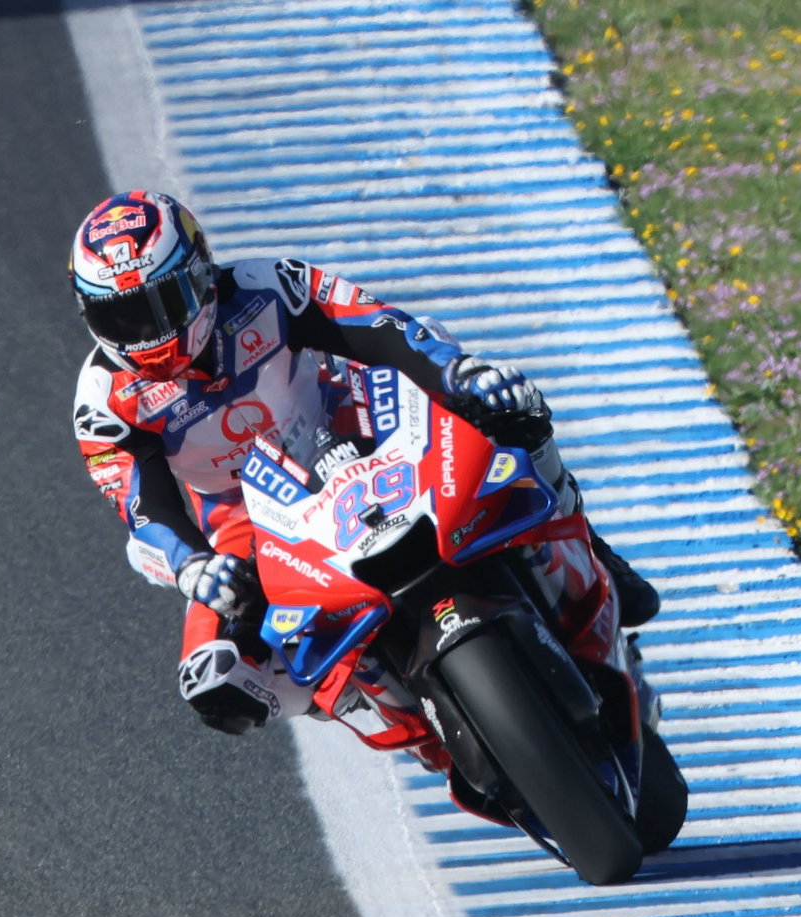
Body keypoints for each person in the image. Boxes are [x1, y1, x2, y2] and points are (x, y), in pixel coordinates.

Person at [70, 190, 659, 736]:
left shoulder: (268, 286)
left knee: (505, 407)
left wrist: (457, 372)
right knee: (215, 677)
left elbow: (378, 325)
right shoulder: (104, 400)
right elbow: (139, 505)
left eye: (160, 304)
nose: (146, 333)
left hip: (359, 427)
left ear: (200, 273)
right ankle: (390, 712)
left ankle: (584, 543)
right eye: (121, 318)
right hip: (248, 517)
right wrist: (191, 566)